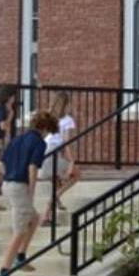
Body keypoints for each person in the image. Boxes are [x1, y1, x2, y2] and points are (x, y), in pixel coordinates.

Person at [0, 111, 60, 276]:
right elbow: (32, 168)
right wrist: (31, 192)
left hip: (8, 184)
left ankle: (21, 256)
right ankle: (3, 273)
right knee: (19, 231)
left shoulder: (17, 139)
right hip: (19, 186)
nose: (48, 135)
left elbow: (3, 162)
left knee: (34, 218)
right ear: (45, 128)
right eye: (49, 132)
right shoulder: (39, 142)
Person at [40, 91, 82, 223]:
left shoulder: (49, 117)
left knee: (56, 179)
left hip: (43, 151)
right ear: (66, 104)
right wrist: (71, 162)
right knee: (76, 175)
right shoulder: (68, 120)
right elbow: (66, 142)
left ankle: (55, 203)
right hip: (53, 151)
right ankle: (48, 209)